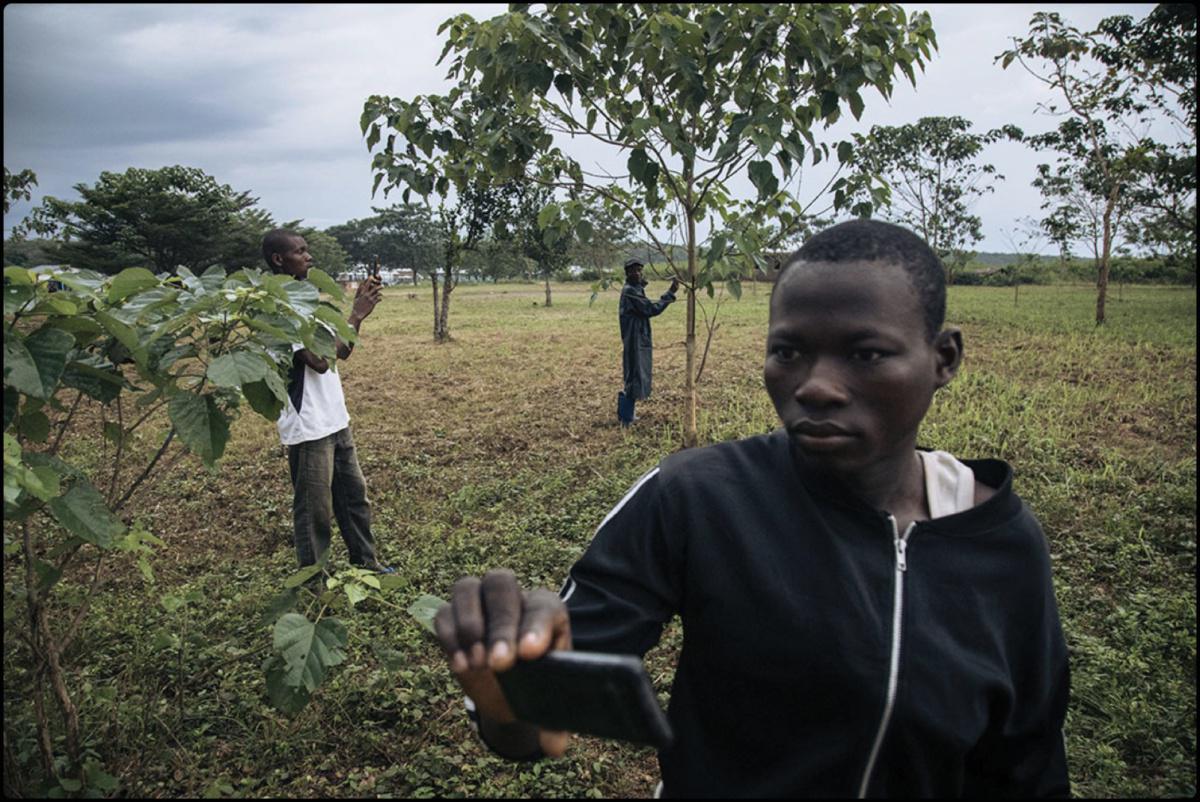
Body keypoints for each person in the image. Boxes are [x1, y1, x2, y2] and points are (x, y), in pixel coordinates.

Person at [433, 219, 1070, 797]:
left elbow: (1029, 764)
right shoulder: (697, 498)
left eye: (866, 353)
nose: (816, 385)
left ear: (944, 358)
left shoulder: (1002, 544)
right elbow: (534, 727)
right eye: (788, 352)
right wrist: (510, 691)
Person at [262, 229, 394, 576]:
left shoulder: (307, 303)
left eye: (307, 250)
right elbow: (319, 360)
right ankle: (315, 583)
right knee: (314, 512)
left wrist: (357, 317)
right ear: (279, 260)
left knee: (354, 500)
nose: (309, 257)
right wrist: (355, 314)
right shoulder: (278, 310)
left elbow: (342, 352)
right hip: (308, 426)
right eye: (300, 251)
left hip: (335, 417)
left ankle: (366, 566)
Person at [618, 258, 679, 426]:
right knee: (634, 373)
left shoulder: (634, 289)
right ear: (627, 273)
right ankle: (625, 417)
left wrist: (642, 285)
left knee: (635, 372)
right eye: (633, 271)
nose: (637, 273)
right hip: (635, 338)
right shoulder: (631, 291)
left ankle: (627, 415)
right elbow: (651, 309)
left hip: (638, 336)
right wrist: (670, 293)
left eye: (639, 270)